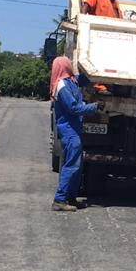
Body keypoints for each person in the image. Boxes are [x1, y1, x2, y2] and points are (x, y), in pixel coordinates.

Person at [50, 56, 101, 211]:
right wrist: (94, 107)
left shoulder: (71, 80)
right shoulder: (62, 85)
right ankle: (60, 199)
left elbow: (84, 79)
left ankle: (70, 197)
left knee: (77, 166)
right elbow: (73, 107)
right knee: (71, 164)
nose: (70, 64)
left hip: (74, 129)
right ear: (64, 66)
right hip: (69, 130)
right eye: (68, 63)